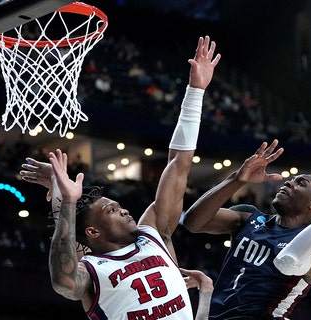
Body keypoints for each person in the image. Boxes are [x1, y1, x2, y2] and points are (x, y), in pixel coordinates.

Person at [21, 35, 221, 320]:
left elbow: (179, 165)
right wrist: (66, 200)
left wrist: (196, 91)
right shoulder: (92, 269)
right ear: (93, 232)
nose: (124, 209)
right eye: (111, 210)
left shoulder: (155, 235)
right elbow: (63, 281)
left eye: (118, 205)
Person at [182, 140, 311, 319]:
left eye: (300, 183)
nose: (289, 182)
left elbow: (288, 261)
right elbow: (193, 222)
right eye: (293, 179)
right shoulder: (248, 218)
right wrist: (237, 179)